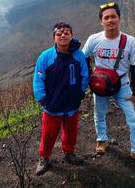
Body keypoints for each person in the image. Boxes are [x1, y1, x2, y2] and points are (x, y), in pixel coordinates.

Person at [82, 2, 135, 170]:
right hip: (100, 85)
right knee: (99, 114)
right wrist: (88, 81)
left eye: (113, 16)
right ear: (101, 21)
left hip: (123, 84)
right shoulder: (94, 39)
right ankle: (102, 140)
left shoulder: (129, 41)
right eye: (106, 17)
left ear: (119, 18)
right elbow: (83, 60)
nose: (110, 20)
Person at [33, 21, 89, 175]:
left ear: (71, 35)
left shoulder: (79, 55)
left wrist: (80, 92)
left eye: (66, 33)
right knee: (49, 133)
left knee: (71, 131)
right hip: (52, 105)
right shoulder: (45, 57)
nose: (63, 35)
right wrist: (43, 99)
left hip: (72, 103)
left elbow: (85, 74)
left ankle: (69, 153)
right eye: (59, 34)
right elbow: (38, 79)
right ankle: (44, 158)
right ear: (54, 38)